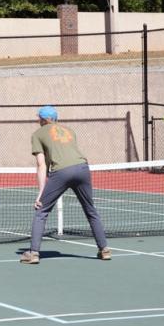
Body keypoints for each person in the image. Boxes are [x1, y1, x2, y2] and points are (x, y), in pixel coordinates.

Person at [20, 105, 111, 264]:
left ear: (43, 119)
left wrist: (40, 193)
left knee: (42, 211)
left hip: (61, 172)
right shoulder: (69, 131)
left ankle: (33, 253)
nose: (38, 120)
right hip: (82, 168)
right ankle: (104, 250)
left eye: (39, 118)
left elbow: (42, 165)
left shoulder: (37, 134)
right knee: (90, 210)